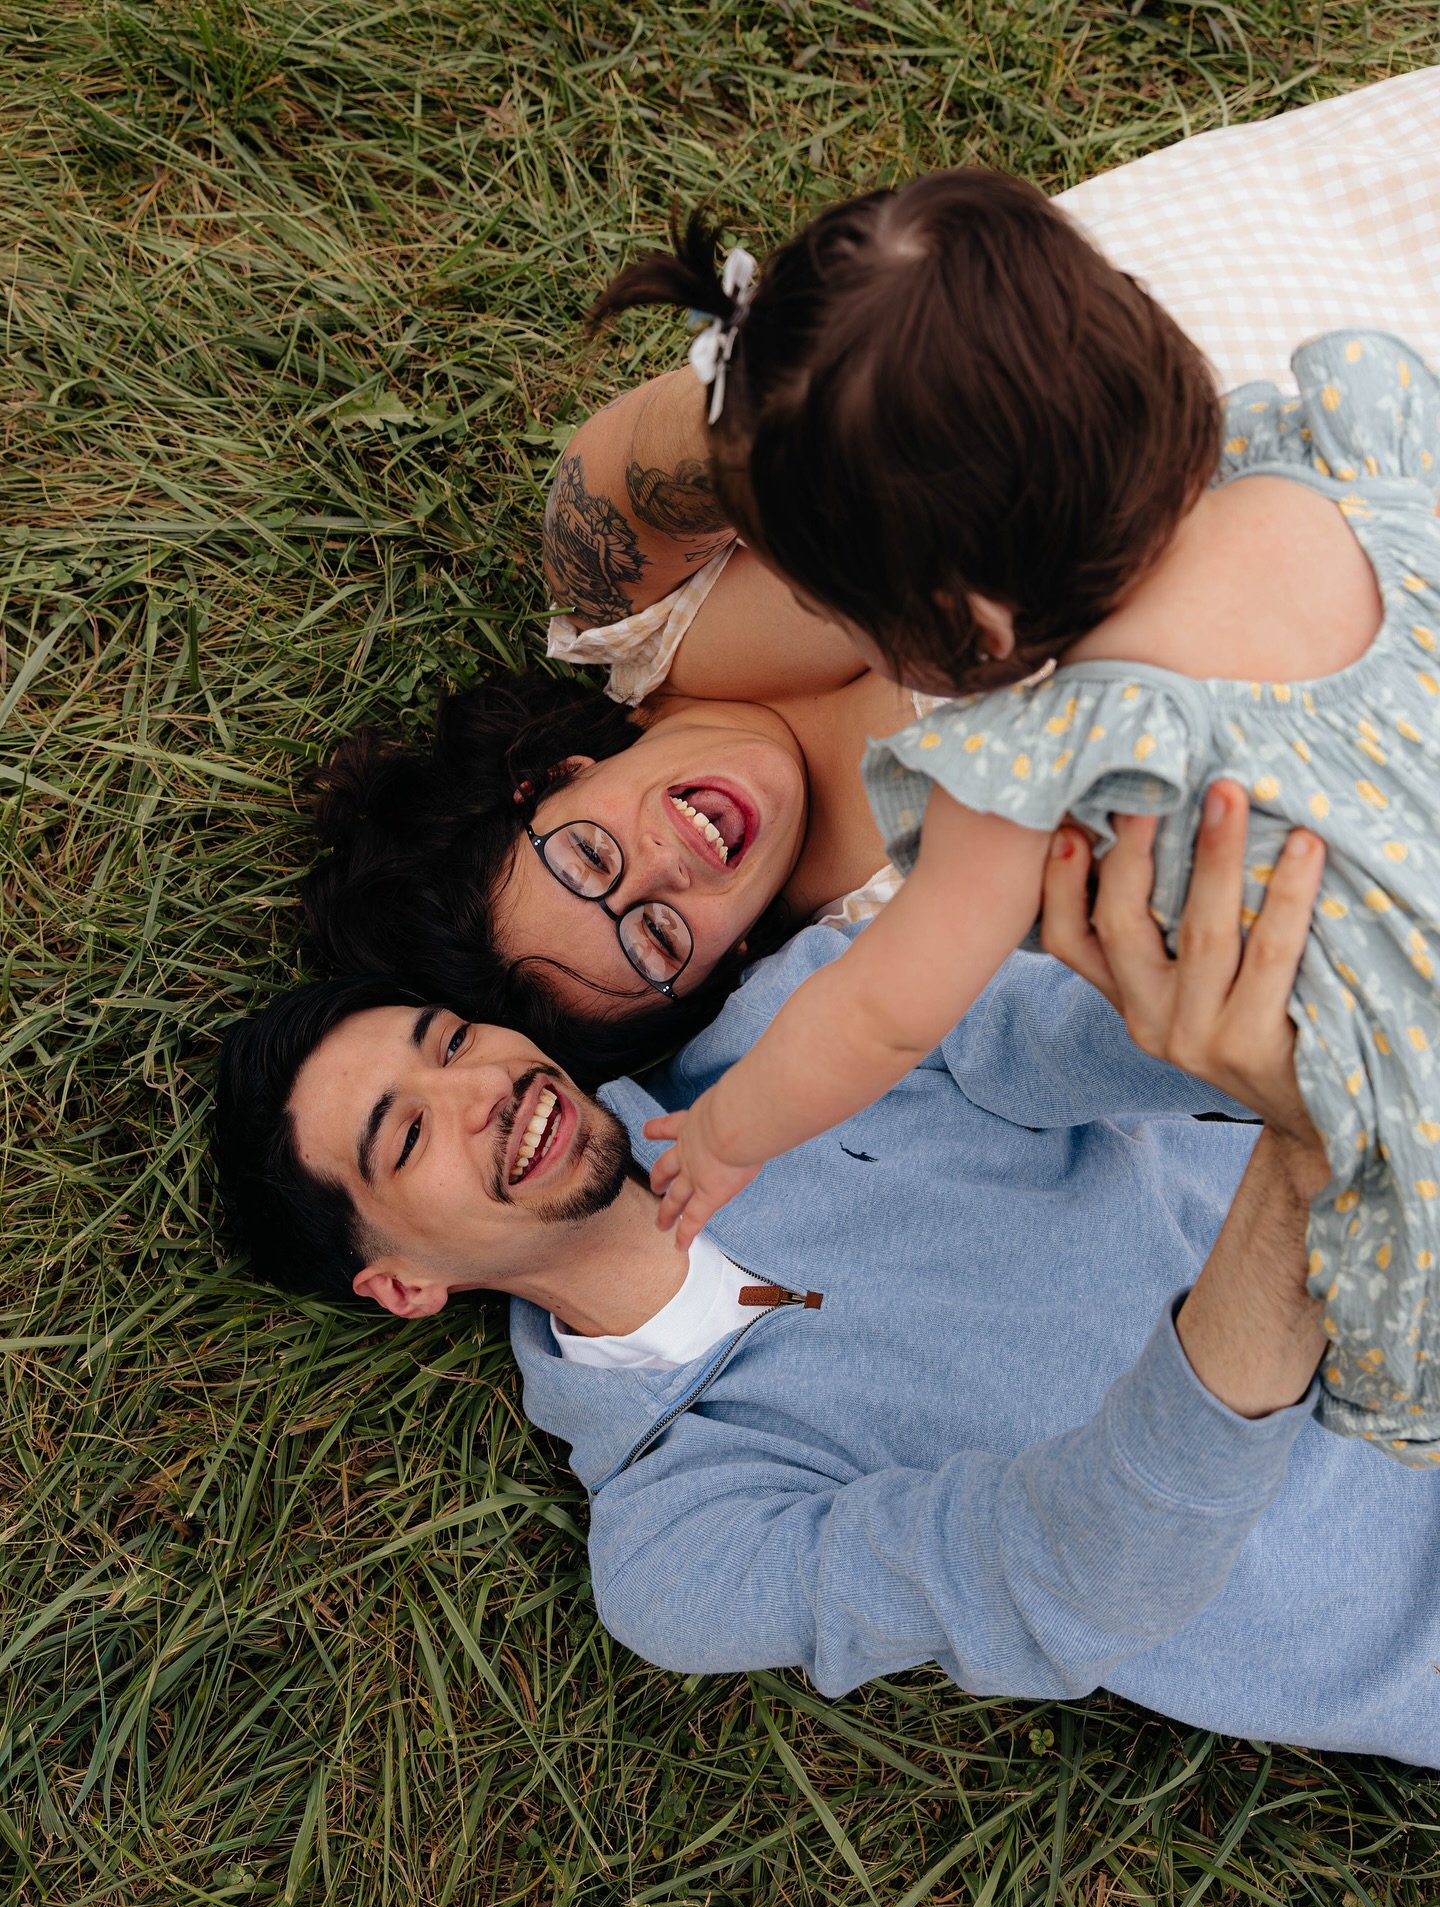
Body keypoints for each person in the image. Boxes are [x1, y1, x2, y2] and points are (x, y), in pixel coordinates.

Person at [213, 792, 1440, 1769]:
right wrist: (1292, 1212)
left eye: (452, 1041)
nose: (481, 1091)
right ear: (402, 1283)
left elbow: (1092, 1033)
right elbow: (1071, 1582)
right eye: (405, 1136)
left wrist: (1266, 1030)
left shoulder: (804, 1024)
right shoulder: (680, 1536)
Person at [304, 73, 1440, 1091]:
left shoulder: (630, 608)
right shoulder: (892, 929)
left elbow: (767, 376)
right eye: (656, 941)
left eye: (592, 855)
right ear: (721, 972)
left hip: (1276, 291)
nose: (669, 866)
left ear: (552, 776)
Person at [591, 167, 1440, 1462]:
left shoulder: (1046, 752)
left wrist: (724, 1129)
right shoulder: (1356, 461)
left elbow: (881, 1011)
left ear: (961, 626)